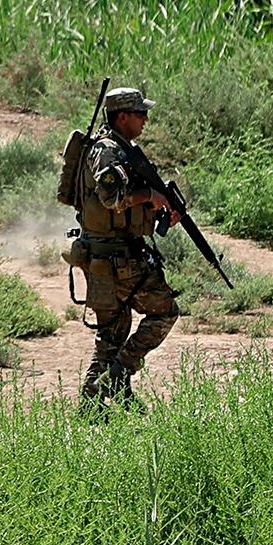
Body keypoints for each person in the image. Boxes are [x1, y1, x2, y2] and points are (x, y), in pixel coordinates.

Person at [73, 87, 179, 408]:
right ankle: (119, 375)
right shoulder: (107, 151)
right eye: (140, 113)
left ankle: (93, 402)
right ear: (122, 116)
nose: (146, 119)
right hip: (116, 257)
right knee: (164, 312)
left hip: (106, 256)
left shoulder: (121, 148)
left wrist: (156, 209)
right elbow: (111, 198)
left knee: (112, 334)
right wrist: (150, 196)